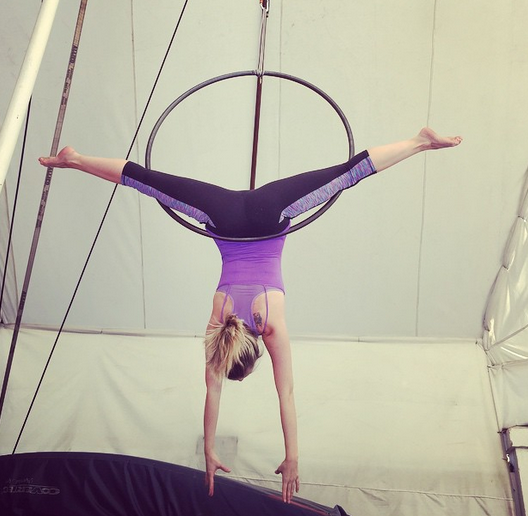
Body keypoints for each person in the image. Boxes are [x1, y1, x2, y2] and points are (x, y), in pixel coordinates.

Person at [39, 127, 462, 503]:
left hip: (269, 214)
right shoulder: (218, 320)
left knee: (347, 174)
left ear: (256, 349)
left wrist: (292, 457)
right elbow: (212, 391)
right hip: (223, 215)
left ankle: (419, 142)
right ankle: (75, 160)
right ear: (227, 349)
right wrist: (209, 449)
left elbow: (286, 396)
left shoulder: (268, 325)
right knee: (145, 180)